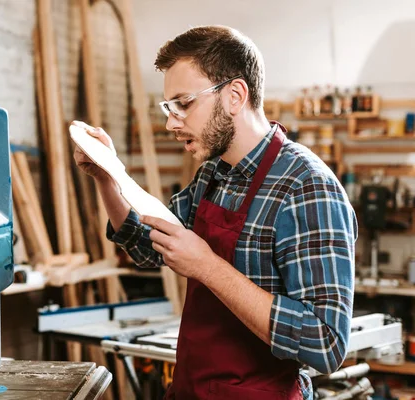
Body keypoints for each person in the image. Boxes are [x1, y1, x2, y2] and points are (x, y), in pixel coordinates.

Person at [72, 25, 356, 400]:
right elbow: (144, 246)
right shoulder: (212, 174)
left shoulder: (307, 187)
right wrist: (108, 177)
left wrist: (206, 266)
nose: (172, 122)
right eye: (168, 108)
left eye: (184, 104)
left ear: (235, 95)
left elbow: (325, 343)